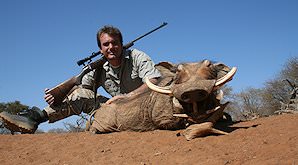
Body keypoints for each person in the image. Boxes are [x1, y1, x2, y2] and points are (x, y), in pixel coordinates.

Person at [0, 25, 161, 133]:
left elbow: (153, 80)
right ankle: (34, 117)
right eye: (106, 44)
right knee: (79, 95)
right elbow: (82, 90)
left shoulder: (137, 56)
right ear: (100, 49)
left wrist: (127, 97)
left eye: (115, 43)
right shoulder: (97, 67)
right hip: (115, 110)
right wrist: (58, 94)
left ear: (121, 44)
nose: (111, 47)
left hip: (142, 108)